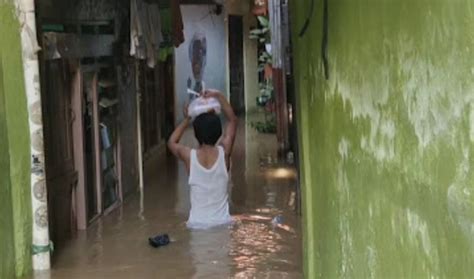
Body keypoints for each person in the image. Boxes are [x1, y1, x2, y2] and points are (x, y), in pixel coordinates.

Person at [168, 89, 238, 229]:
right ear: (218, 132)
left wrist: (188, 118)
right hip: (223, 225)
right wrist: (218, 95)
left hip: (196, 226)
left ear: (196, 133)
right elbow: (233, 120)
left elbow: (171, 142)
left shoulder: (189, 156)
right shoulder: (224, 153)